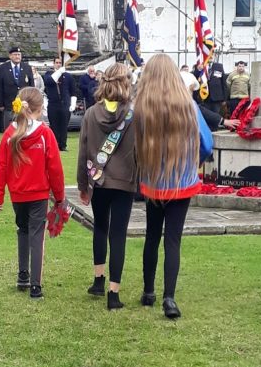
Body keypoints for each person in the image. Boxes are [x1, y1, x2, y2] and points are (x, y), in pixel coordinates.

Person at [134, 54, 213, 319]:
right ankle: (169, 297)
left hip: (153, 180)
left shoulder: (141, 107)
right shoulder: (189, 106)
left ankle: (148, 291)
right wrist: (192, 162)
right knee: (173, 240)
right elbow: (206, 144)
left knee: (152, 236)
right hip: (182, 180)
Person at [0, 87, 65, 299]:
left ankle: (23, 274)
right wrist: (59, 196)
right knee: (36, 236)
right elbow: (55, 168)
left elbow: (1, 166)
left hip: (18, 193)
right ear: (40, 108)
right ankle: (35, 285)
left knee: (22, 230)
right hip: (39, 194)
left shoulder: (10, 133)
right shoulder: (44, 134)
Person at [77, 62, 137, 310]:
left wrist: (83, 184)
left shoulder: (91, 113)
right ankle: (114, 293)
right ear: (127, 83)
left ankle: (98, 280)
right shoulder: (134, 115)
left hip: (98, 180)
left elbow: (82, 150)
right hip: (125, 182)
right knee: (118, 234)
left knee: (100, 228)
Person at [0, 45, 34, 129]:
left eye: (19, 54)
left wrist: (31, 102)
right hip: (9, 105)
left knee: (24, 129)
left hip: (24, 105)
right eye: (15, 54)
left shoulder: (27, 68)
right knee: (9, 130)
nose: (17, 56)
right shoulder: (2, 68)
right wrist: (0, 103)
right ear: (10, 56)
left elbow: (31, 86)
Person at [43, 56, 75, 152]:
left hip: (65, 104)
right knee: (54, 126)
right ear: (53, 64)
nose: (58, 64)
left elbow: (73, 91)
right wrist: (59, 71)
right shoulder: (49, 74)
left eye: (60, 62)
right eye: (56, 62)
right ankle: (55, 145)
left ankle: (63, 145)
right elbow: (50, 81)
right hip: (53, 104)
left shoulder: (68, 76)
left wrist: (72, 104)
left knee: (64, 126)